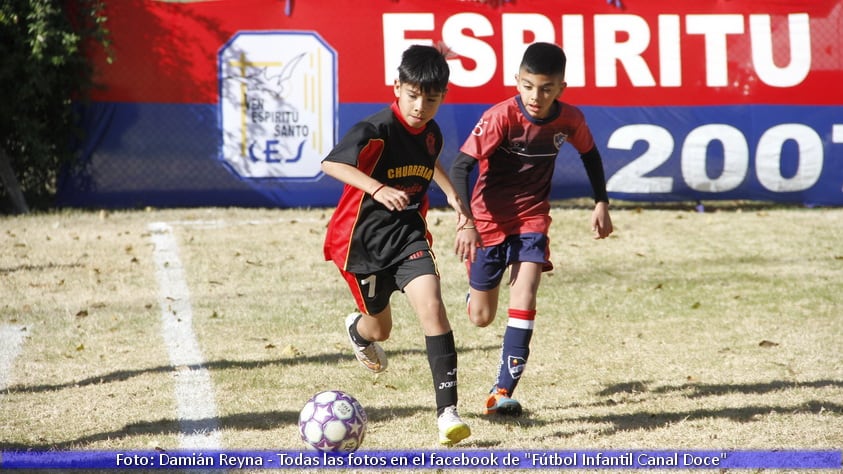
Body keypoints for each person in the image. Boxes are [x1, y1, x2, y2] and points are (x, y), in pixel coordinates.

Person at [449, 42, 613, 417]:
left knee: (525, 296)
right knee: (481, 317)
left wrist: (600, 202)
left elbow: (590, 154)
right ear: (516, 81)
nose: (535, 96)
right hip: (488, 220)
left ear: (561, 88)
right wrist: (467, 222)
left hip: (532, 220)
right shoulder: (500, 117)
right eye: (527, 86)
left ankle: (500, 393)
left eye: (545, 88)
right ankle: (474, 291)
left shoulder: (570, 119)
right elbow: (460, 166)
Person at [322, 44, 472, 446]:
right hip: (362, 244)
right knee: (380, 329)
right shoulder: (377, 128)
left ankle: (448, 414)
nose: (420, 106)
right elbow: (331, 163)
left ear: (443, 96)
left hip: (408, 236)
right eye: (412, 95)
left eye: (431, 98)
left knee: (434, 308)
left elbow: (432, 161)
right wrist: (377, 187)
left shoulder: (432, 133)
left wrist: (457, 200)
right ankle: (360, 331)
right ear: (397, 87)